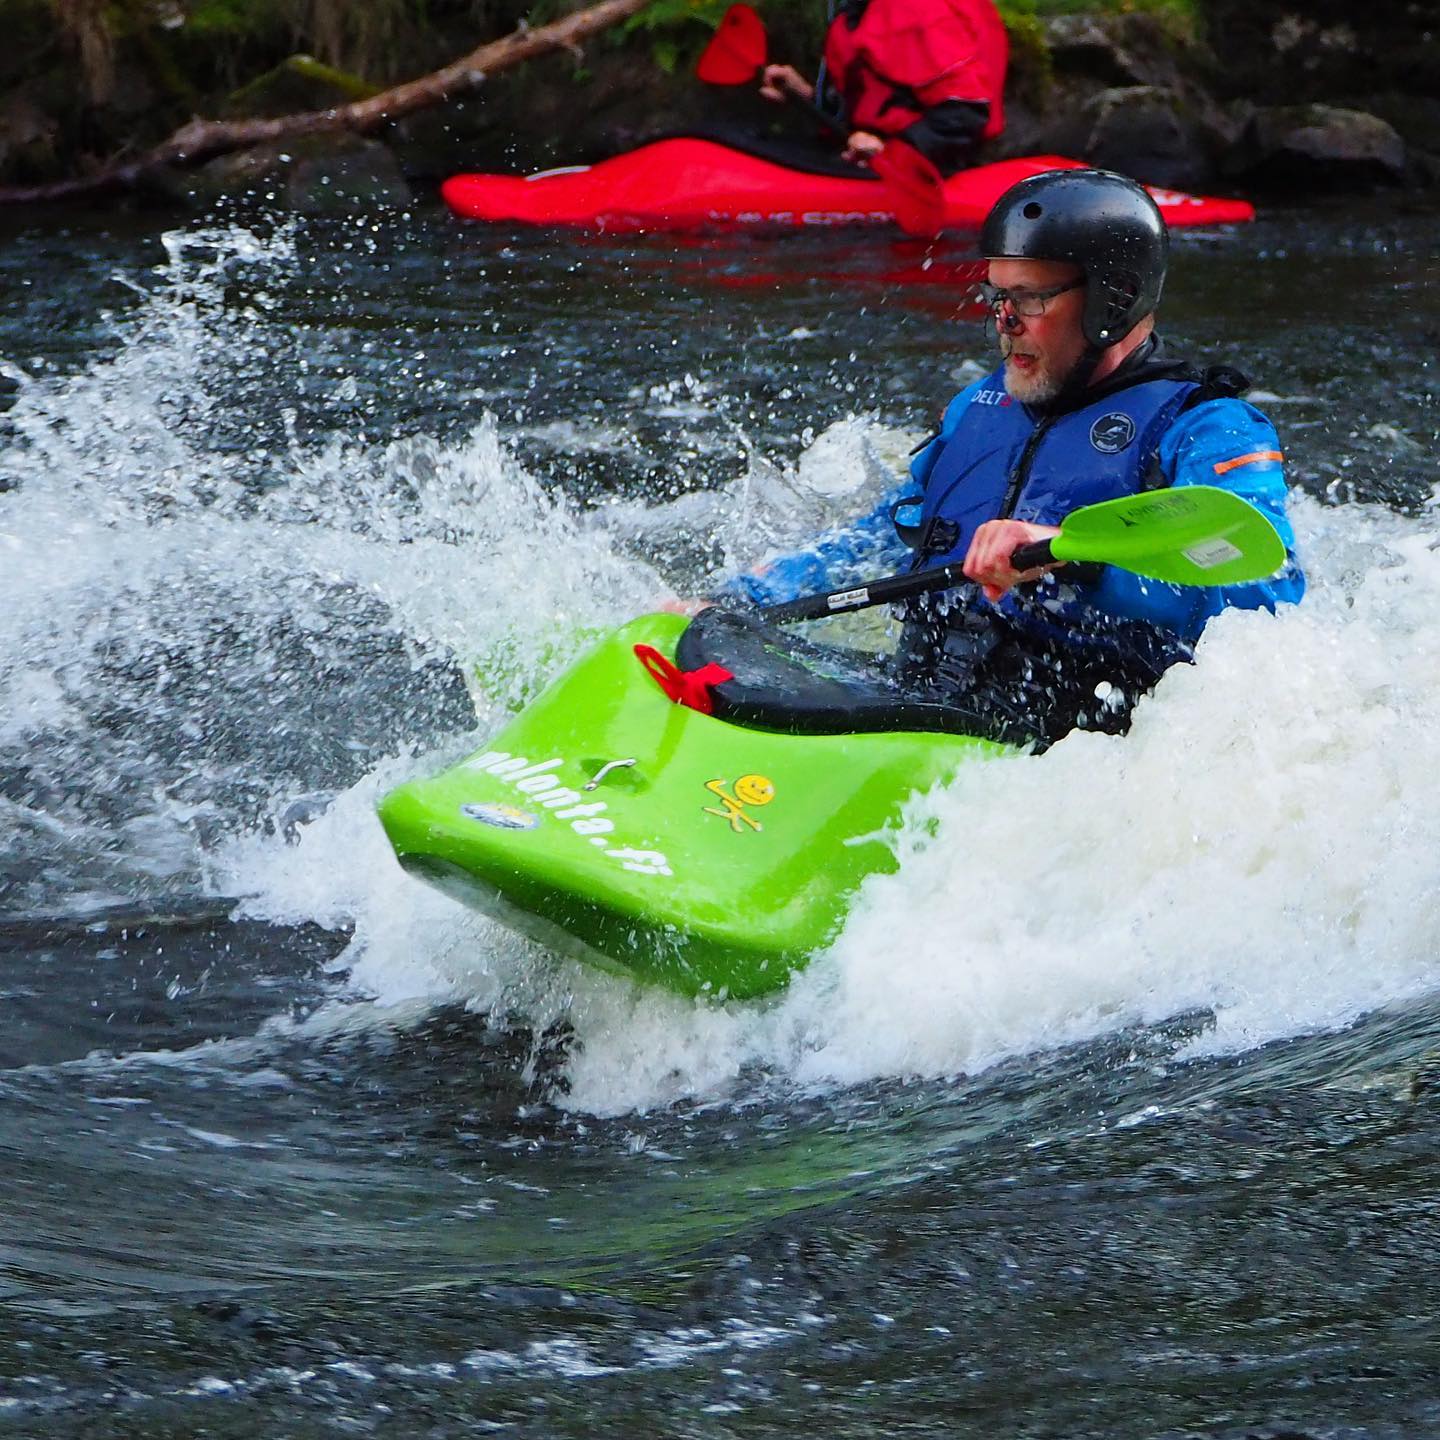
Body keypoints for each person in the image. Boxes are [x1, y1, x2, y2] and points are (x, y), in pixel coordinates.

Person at [710, 167, 1305, 747]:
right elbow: (894, 533)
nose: (1003, 321)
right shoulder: (981, 403)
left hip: (1070, 736)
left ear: (1113, 299)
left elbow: (1262, 595)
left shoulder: (1207, 427)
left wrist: (1077, 560)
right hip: (924, 693)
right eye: (996, 295)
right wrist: (743, 601)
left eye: (1029, 299)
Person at [758, 0, 1008, 176]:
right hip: (874, 160)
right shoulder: (861, 10)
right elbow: (876, 103)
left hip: (934, 169)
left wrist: (893, 151)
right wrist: (806, 96)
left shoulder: (919, 10)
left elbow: (965, 115)